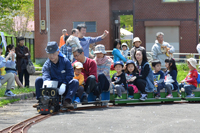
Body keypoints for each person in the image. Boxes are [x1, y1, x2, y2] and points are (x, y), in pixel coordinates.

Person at [33, 42, 79, 109]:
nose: (51, 56)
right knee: (38, 80)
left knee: (75, 82)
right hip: (51, 87)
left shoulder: (65, 61)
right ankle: (41, 101)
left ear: (58, 52)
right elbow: (46, 75)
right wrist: (47, 84)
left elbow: (70, 74)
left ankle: (67, 102)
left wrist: (64, 83)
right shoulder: (47, 64)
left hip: (64, 85)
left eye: (53, 53)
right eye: (49, 54)